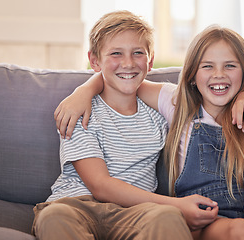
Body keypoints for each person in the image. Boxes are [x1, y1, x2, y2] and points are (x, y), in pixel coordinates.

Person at [56, 24, 244, 239]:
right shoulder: (177, 105)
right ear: (192, 75)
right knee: (243, 232)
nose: (219, 75)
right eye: (207, 66)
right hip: (204, 213)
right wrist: (83, 91)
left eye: (230, 66)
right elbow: (123, 81)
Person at [32, 10, 222, 240]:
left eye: (138, 53)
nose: (128, 63)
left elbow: (212, 100)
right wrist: (177, 204)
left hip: (136, 214)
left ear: (150, 60)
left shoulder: (158, 114)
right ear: (94, 60)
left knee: (168, 217)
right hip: (77, 206)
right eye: (116, 53)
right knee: (54, 217)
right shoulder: (80, 111)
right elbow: (100, 186)